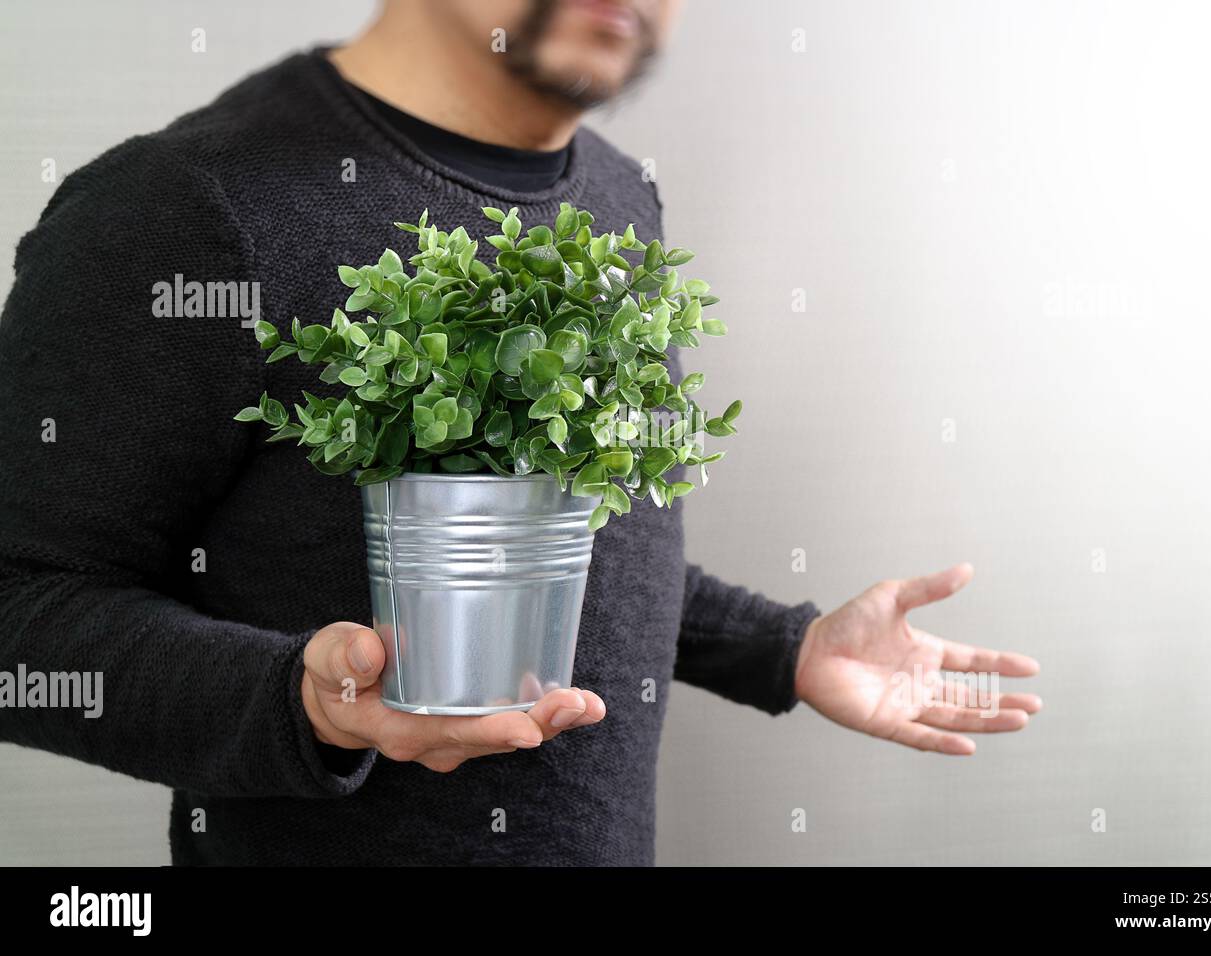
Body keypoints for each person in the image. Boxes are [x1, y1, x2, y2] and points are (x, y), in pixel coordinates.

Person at [0, 0, 1041, 866]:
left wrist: (781, 646)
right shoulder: (192, 205)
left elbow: (543, 549)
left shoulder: (618, 196)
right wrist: (301, 700)